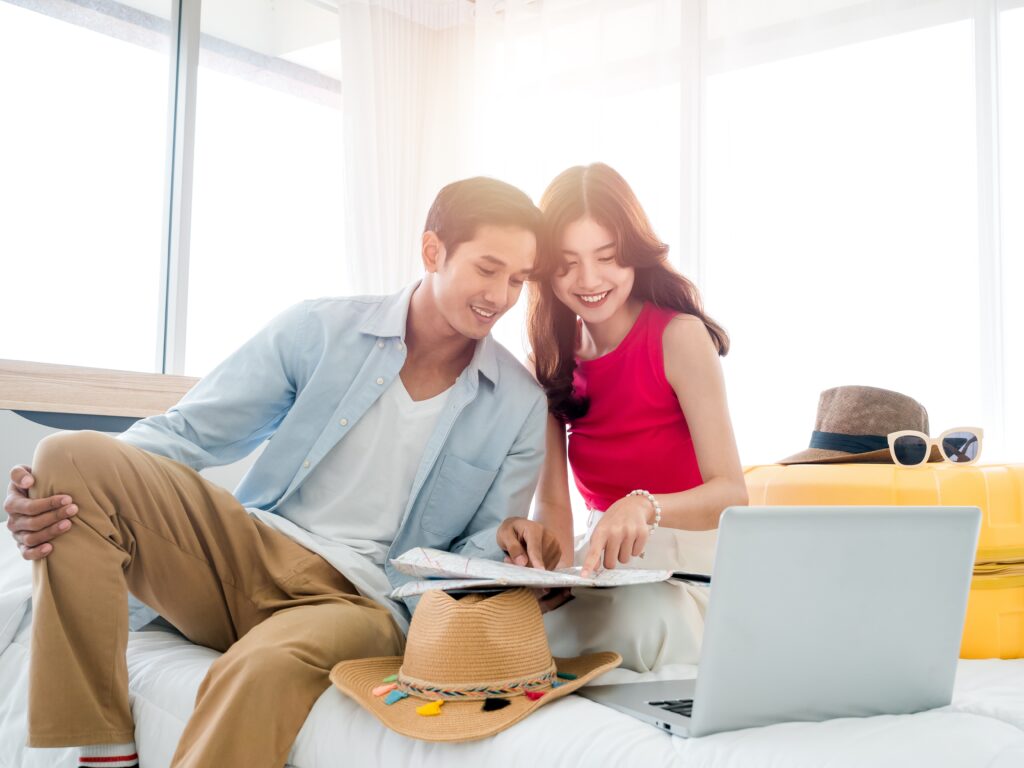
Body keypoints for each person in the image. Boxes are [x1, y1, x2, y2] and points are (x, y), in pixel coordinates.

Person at [2, 177, 560, 768]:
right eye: (487, 269)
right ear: (432, 252)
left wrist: (512, 553)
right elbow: (188, 432)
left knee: (258, 669)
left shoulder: (520, 404)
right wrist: (64, 492)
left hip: (364, 600)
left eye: (518, 281)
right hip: (252, 550)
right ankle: (105, 748)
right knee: (65, 455)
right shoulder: (318, 329)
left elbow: (475, 553)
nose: (500, 295)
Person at [527, 163, 748, 671]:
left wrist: (644, 506)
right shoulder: (551, 362)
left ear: (633, 255)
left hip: (693, 568)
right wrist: (545, 577)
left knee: (642, 620)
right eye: (567, 263)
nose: (589, 280)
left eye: (606, 257)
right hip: (608, 568)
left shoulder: (678, 337)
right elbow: (555, 506)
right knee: (515, 626)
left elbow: (732, 492)